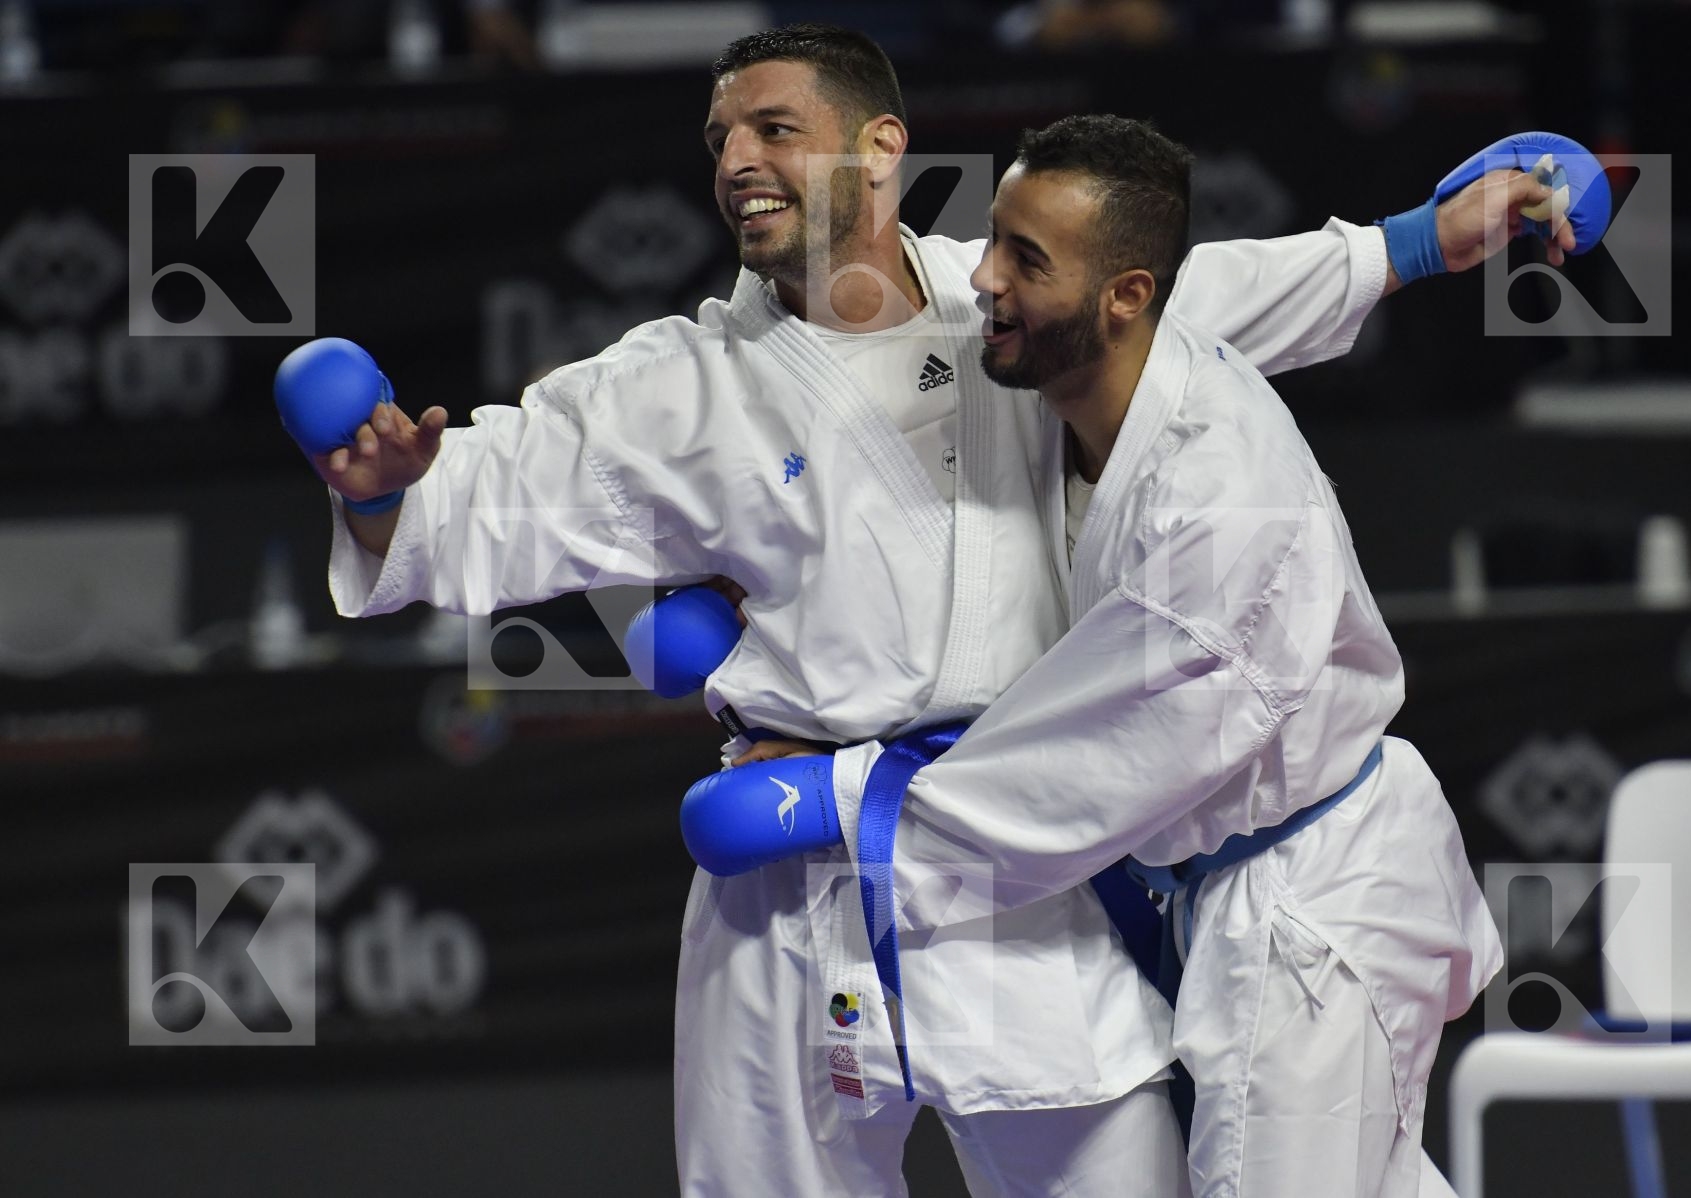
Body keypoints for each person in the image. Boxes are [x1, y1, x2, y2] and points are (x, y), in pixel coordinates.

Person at [304, 23, 1564, 1196]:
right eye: (719, 141)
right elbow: (474, 494)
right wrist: (383, 498)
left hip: (1019, 852)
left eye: (775, 129)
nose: (738, 160)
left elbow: (1199, 294)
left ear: (881, 147)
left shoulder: (1008, 309)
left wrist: (1422, 241)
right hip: (788, 879)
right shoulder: (675, 388)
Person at [735, 114, 1509, 1196]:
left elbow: (1097, 757)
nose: (984, 282)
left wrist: (847, 800)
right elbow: (1239, 282)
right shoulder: (1108, 350)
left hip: (1312, 905)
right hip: (1241, 883)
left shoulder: (1219, 506)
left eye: (1026, 261)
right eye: (993, 239)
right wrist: (1414, 243)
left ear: (1127, 297)